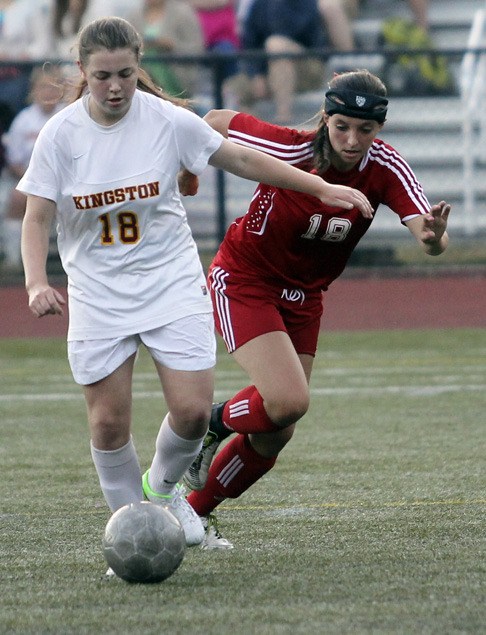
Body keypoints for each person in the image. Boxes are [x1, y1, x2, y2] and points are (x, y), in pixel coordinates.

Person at [18, 17, 372, 563]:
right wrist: (37, 280)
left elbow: (244, 158)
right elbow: (37, 217)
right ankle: (128, 534)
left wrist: (321, 185)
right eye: (103, 76)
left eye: (127, 75)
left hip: (171, 282)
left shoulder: (166, 120)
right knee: (108, 423)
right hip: (97, 293)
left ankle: (163, 495)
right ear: (83, 72)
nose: (115, 87)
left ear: (139, 68)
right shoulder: (61, 136)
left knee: (188, 412)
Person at [178, 69, 451, 548]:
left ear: (379, 130)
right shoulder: (290, 146)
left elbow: (428, 233)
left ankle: (194, 516)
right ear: (326, 118)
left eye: (365, 130)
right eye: (342, 125)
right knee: (287, 402)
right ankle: (210, 426)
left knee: (276, 431)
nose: (352, 139)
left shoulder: (385, 168)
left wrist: (432, 240)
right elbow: (216, 120)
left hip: (305, 296)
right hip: (245, 279)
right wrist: (187, 168)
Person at [1, 65, 65, 271]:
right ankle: (14, 262)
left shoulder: (67, 116)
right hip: (29, 180)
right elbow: (13, 161)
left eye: (53, 87)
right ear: (34, 90)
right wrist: (34, 180)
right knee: (17, 199)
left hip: (66, 180)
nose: (49, 92)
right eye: (44, 87)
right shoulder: (24, 120)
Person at [240, 0, 328, 124]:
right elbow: (249, 46)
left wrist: (292, 49)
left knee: (276, 45)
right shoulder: (259, 4)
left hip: (308, 67)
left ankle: (283, 118)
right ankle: (253, 131)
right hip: (267, 70)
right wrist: (256, 74)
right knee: (234, 87)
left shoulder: (307, 3)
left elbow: (317, 46)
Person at [128, 0, 205, 99]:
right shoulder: (134, 16)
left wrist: (171, 46)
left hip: (177, 75)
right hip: (143, 76)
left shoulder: (183, 13)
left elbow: (197, 48)